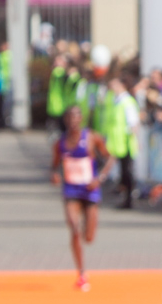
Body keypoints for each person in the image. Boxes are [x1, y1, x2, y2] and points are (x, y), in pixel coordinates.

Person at [50, 104, 110, 291]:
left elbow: (109, 158)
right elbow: (54, 165)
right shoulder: (60, 143)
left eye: (76, 117)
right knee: (74, 229)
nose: (73, 121)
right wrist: (55, 174)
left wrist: (99, 178)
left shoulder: (92, 137)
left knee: (89, 237)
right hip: (71, 190)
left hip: (89, 189)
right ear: (65, 120)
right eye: (69, 117)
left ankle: (86, 228)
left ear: (81, 119)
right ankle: (81, 273)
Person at [96, 78, 139, 210]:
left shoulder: (127, 102)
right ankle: (125, 198)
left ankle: (129, 200)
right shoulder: (116, 100)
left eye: (115, 84)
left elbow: (133, 124)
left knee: (127, 173)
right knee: (122, 173)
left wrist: (134, 139)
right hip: (117, 143)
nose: (112, 87)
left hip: (125, 143)